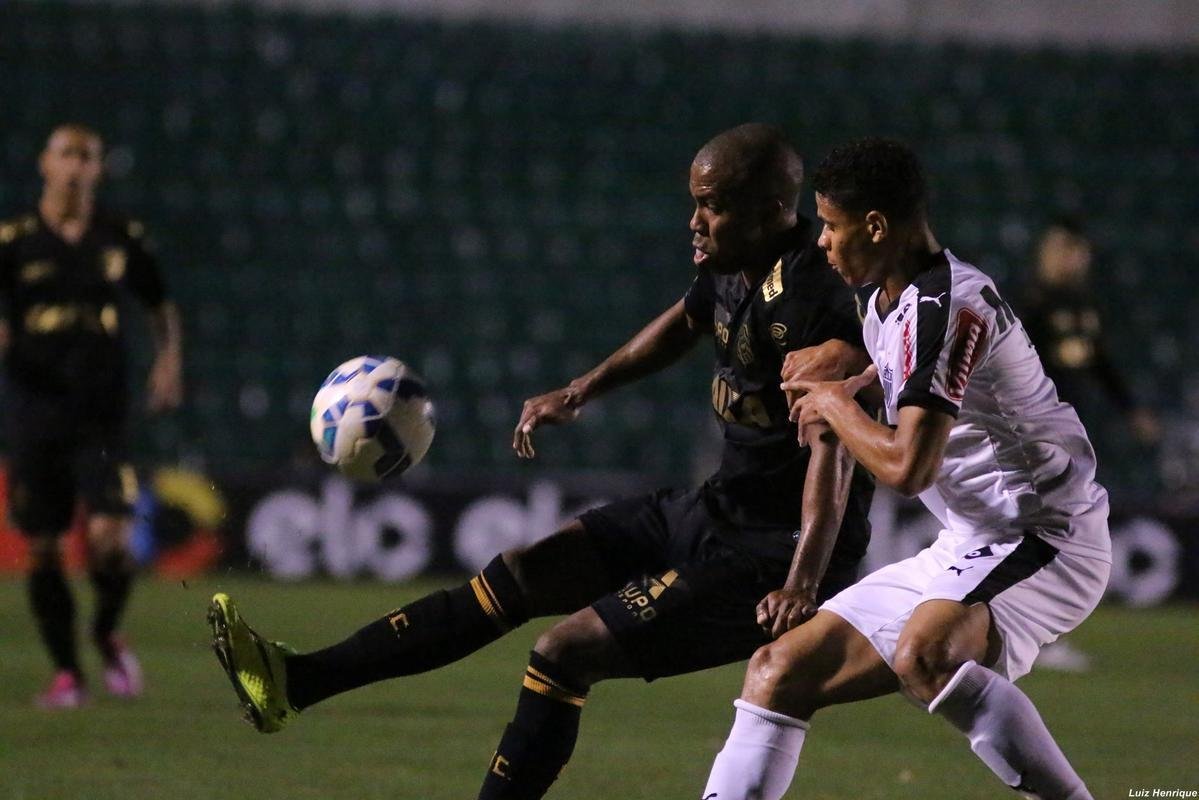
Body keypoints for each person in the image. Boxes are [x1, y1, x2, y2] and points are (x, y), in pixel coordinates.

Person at [207, 123, 874, 799]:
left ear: (770, 210)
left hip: (770, 554)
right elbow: (682, 321)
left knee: (564, 652)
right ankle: (296, 685)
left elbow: (833, 446)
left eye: (712, 206)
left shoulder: (819, 295)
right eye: (693, 202)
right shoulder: (731, 267)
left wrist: (800, 580)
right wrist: (581, 389)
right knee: (519, 575)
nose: (694, 221)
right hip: (711, 509)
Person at [701, 138, 1110, 800]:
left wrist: (833, 401)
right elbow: (841, 439)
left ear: (874, 226)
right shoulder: (880, 303)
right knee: (777, 671)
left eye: (831, 227)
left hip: (1045, 535)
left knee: (926, 653)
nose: (823, 244)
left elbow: (907, 468)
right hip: (966, 543)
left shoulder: (950, 305)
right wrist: (802, 581)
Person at [0, 123, 184, 708]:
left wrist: (168, 361)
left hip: (102, 415)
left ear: (99, 170)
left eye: (88, 156)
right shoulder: (13, 239)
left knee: (111, 538)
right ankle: (66, 674)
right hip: (36, 413)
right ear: (45, 165)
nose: (77, 166)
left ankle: (105, 631)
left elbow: (159, 304)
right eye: (66, 154)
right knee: (46, 546)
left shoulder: (118, 236)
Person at [1019, 218, 1157, 672]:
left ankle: (1039, 634)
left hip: (1070, 432)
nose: (1072, 259)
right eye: (1064, 249)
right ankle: (1036, 635)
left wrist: (1131, 410)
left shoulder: (1083, 305)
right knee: (1043, 531)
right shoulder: (1029, 304)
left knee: (1058, 530)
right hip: (1034, 434)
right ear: (1047, 253)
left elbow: (1101, 363)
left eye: (1077, 250)